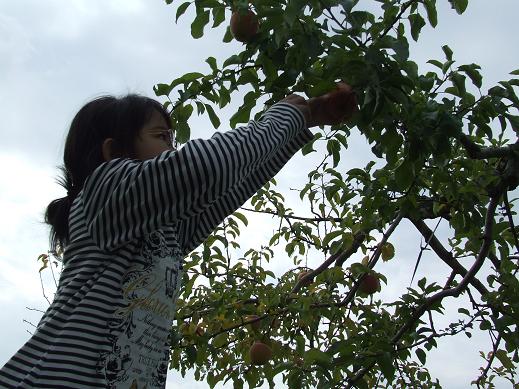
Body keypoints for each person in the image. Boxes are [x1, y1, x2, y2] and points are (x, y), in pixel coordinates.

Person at [0, 87, 357, 388]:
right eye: (161, 137)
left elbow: (230, 186)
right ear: (113, 153)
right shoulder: (103, 191)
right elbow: (207, 168)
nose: (173, 150)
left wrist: (305, 120)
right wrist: (283, 118)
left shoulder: (164, 229)